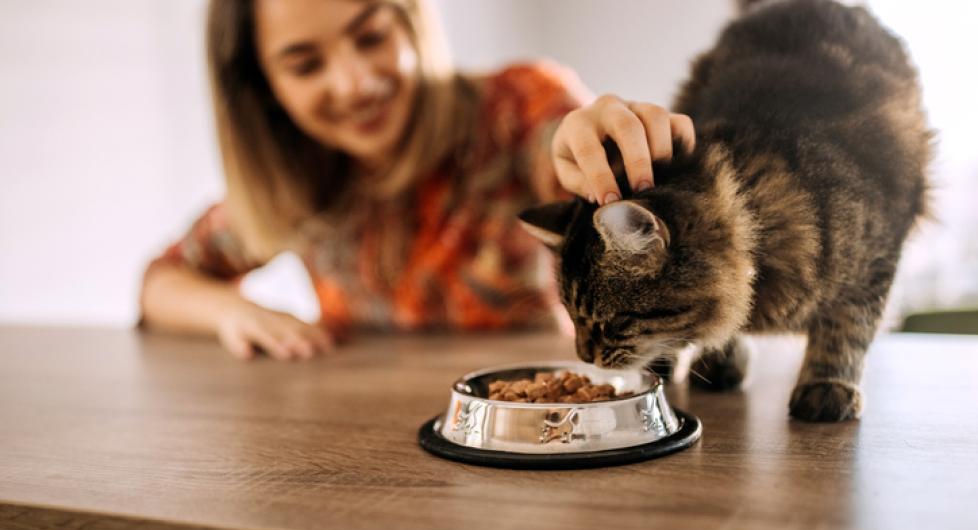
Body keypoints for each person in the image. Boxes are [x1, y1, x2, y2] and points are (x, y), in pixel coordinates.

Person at [139, 0, 695, 360]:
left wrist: (606, 154)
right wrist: (232, 310)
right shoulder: (292, 183)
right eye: (306, 65)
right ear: (264, 91)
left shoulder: (517, 111)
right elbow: (161, 282)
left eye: (371, 36)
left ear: (409, 19)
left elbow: (572, 158)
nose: (355, 83)